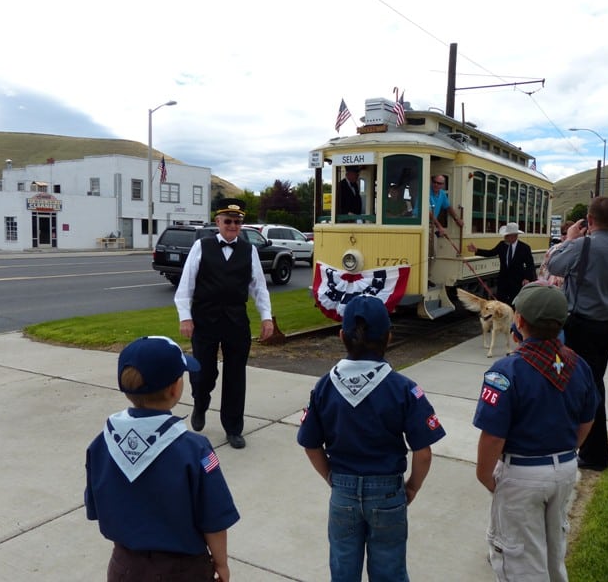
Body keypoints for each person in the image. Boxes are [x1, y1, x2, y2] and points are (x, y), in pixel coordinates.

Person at [297, 294, 446, 581]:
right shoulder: (403, 388)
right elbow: (423, 451)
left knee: (343, 568)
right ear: (389, 337)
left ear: (342, 336)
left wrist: (332, 478)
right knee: (389, 569)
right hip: (388, 492)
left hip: (343, 490)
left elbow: (310, 443)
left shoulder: (325, 386)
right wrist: (412, 487)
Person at [85, 336, 240, 582]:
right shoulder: (195, 449)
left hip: (124, 566)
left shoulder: (101, 444)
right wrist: (221, 563)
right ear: (174, 388)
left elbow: (97, 508)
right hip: (183, 571)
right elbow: (215, 517)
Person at [473, 283, 598, 581]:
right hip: (565, 468)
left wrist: (484, 475)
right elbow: (587, 419)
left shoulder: (506, 372)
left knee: (520, 561)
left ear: (519, 321)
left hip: (523, 473)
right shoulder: (578, 365)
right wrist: (568, 452)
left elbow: (493, 435)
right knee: (554, 551)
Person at [175, 197, 274, 449]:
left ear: (242, 224)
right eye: (228, 220)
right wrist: (185, 316)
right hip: (205, 320)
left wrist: (266, 317)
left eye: (237, 221)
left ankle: (233, 428)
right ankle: (200, 402)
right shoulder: (201, 246)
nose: (232, 225)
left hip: (236, 321)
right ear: (218, 222)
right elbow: (186, 284)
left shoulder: (248, 250)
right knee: (203, 373)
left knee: (235, 375)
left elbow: (259, 287)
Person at [546, 196, 608, 471]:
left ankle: (594, 453)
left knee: (587, 387)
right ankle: (588, 446)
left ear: (590, 221)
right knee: (593, 382)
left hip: (583, 324)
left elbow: (554, 266)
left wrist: (570, 239)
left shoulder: (583, 245)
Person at [467, 222, 537, 304]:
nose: (505, 238)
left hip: (517, 282)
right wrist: (477, 250)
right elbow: (491, 253)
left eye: (507, 236)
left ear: (514, 236)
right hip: (503, 281)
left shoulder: (524, 248)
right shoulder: (502, 245)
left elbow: (530, 264)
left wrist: (527, 278)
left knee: (514, 303)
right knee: (501, 304)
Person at [538, 220, 574, 287]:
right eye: (563, 233)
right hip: (552, 289)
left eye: (568, 233)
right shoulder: (552, 249)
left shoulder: (578, 250)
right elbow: (543, 270)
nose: (565, 236)